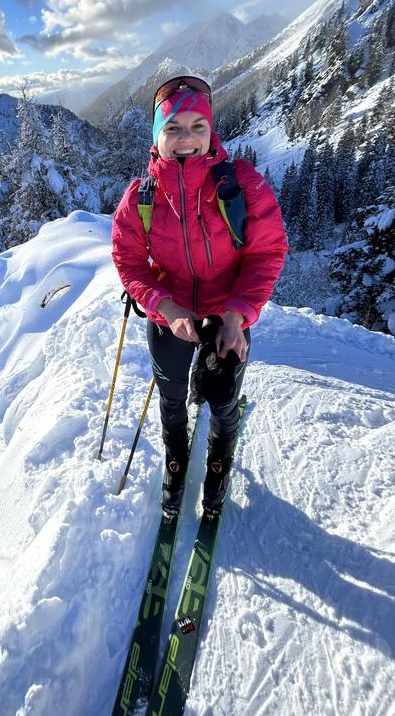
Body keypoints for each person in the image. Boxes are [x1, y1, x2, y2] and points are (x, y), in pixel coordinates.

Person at [111, 75, 288, 519]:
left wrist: (238, 314)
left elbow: (268, 251)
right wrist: (163, 306)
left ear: (212, 132)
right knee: (171, 397)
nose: (186, 138)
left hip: (227, 312)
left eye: (197, 126)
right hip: (171, 313)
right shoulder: (141, 198)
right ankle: (176, 459)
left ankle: (218, 462)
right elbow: (128, 261)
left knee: (224, 397)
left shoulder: (241, 185)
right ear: (157, 135)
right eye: (173, 128)